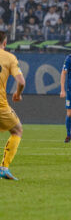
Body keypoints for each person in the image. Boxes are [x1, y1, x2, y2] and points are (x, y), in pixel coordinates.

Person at [0, 31, 25, 180]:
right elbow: (21, 81)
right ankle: (4, 168)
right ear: (4, 42)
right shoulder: (9, 58)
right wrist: (18, 93)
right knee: (17, 130)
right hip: (1, 105)